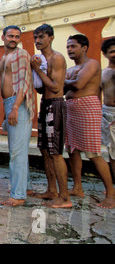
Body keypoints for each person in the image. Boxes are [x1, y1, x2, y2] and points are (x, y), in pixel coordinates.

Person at [64, 34, 114, 209]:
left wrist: (65, 80)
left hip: (88, 108)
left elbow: (78, 84)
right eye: (68, 47)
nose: (70, 50)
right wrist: (67, 80)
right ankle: (78, 187)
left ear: (84, 47)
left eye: (73, 46)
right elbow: (62, 87)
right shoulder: (72, 69)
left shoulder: (92, 64)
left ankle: (110, 194)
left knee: (93, 153)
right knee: (73, 150)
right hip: (71, 109)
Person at [29, 24, 71, 208]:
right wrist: (34, 73)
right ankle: (52, 190)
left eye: (42, 37)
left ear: (51, 38)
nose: (38, 41)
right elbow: (41, 89)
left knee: (55, 152)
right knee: (45, 151)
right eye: (36, 37)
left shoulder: (57, 58)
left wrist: (38, 70)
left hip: (56, 104)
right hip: (45, 104)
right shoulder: (40, 60)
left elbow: (55, 87)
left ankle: (65, 198)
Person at [0, 25, 35, 207]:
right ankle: (23, 187)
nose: (14, 39)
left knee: (17, 152)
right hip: (10, 104)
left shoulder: (21, 54)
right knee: (16, 150)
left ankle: (18, 195)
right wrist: (8, 111)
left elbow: (24, 83)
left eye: (17, 36)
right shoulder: (4, 58)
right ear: (3, 37)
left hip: (17, 103)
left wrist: (15, 107)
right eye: (10, 36)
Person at [101, 37, 115, 178]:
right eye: (112, 52)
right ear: (105, 54)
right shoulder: (103, 73)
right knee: (112, 152)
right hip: (108, 115)